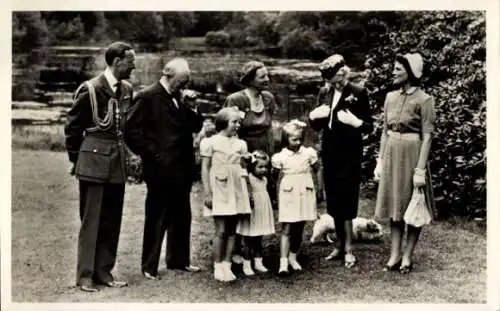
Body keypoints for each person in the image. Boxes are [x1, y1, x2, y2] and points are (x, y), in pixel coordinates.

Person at [64, 41, 136, 292]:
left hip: (117, 163)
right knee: (91, 220)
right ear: (117, 61)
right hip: (93, 161)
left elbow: (128, 128)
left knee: (112, 219)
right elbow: (73, 128)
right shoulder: (90, 89)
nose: (134, 66)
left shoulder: (127, 89)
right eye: (131, 61)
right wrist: (77, 160)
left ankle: (104, 271)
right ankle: (85, 275)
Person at [125, 58, 203, 281]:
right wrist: (153, 154)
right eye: (181, 82)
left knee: (182, 215)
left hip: (182, 168)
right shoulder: (147, 96)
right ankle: (149, 266)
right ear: (168, 75)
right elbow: (131, 131)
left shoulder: (180, 97)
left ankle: (179, 261)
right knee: (157, 216)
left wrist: (193, 108)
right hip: (159, 169)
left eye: (186, 82)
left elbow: (195, 127)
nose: (184, 86)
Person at [373, 53, 437, 274]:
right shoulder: (390, 97)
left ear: (410, 72)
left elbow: (427, 136)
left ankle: (407, 256)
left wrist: (420, 169)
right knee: (395, 208)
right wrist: (380, 161)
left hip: (412, 155)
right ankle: (394, 255)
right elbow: (384, 131)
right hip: (391, 153)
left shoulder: (425, 100)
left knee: (414, 205)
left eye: (398, 69)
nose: (393, 72)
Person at [308, 54, 374, 268]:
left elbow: (369, 126)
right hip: (330, 151)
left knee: (347, 200)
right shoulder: (324, 92)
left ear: (345, 71)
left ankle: (348, 248)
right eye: (332, 75)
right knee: (334, 200)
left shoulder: (358, 92)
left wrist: (356, 123)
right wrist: (312, 117)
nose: (338, 78)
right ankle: (338, 246)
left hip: (349, 153)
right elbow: (318, 126)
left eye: (340, 72)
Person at [224, 60, 279, 264]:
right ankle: (236, 248)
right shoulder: (236, 99)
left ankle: (255, 247)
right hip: (243, 155)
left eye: (267, 75)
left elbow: (270, 129)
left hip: (263, 155)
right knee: (241, 200)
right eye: (262, 76)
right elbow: (229, 131)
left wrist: (271, 158)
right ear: (250, 79)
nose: (267, 79)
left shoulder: (268, 98)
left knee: (260, 199)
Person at [200, 107, 253, 282]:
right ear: (223, 123)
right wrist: (208, 192)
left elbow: (243, 168)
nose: (238, 125)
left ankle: (227, 264)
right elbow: (205, 168)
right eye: (234, 122)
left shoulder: (241, 144)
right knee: (221, 230)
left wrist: (247, 190)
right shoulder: (211, 142)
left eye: (239, 122)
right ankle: (217, 265)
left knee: (232, 230)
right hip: (220, 187)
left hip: (236, 187)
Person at [271, 120, 320, 275]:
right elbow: (274, 176)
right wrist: (275, 194)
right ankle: (283, 263)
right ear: (286, 139)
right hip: (288, 192)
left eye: (300, 139)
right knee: (287, 227)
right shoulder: (280, 157)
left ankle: (293, 256)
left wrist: (320, 189)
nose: (298, 142)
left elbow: (318, 169)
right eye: (294, 139)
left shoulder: (308, 153)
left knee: (300, 226)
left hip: (305, 189)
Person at [236, 150, 275, 276]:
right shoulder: (249, 179)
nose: (263, 170)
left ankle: (258, 262)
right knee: (248, 239)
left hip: (261, 211)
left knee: (258, 238)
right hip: (251, 212)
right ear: (253, 166)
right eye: (260, 167)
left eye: (265, 167)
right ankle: (246, 264)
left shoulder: (264, 180)